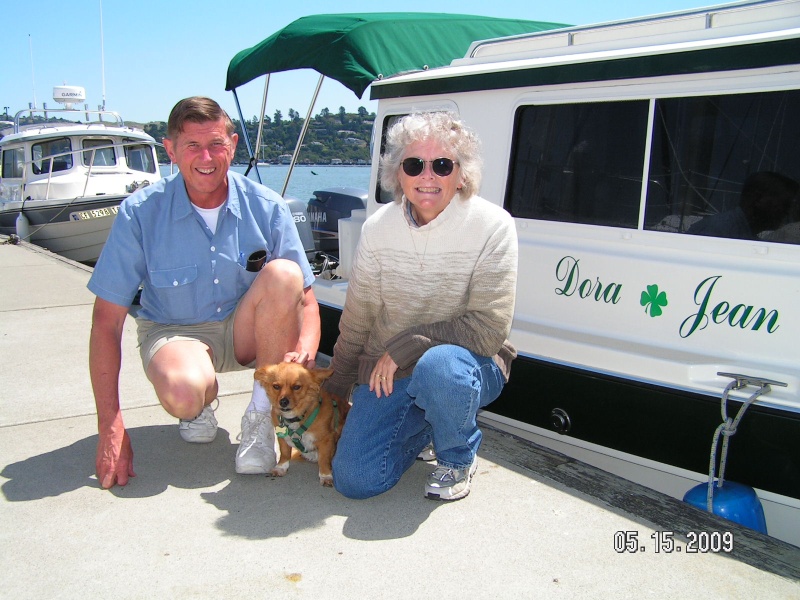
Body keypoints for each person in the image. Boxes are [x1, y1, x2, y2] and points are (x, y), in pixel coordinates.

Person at [88, 97, 320, 489]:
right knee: (183, 393)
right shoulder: (139, 213)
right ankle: (198, 404)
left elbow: (308, 302)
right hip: (173, 331)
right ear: (171, 151)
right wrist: (110, 427)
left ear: (232, 144)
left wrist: (306, 350)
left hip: (245, 333)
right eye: (192, 146)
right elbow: (106, 323)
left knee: (284, 273)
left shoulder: (268, 207)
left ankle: (260, 423)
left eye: (216, 144)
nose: (206, 157)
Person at [325, 112, 518, 501]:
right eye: (414, 165)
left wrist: (410, 344)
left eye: (442, 165)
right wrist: (335, 386)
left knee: (439, 367)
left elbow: (488, 328)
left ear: (461, 174)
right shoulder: (378, 228)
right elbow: (358, 319)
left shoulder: (492, 226)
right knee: (355, 480)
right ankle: (429, 422)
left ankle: (456, 456)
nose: (427, 177)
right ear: (399, 174)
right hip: (387, 372)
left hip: (465, 363)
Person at [686, 171, 798, 241]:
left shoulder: (741, 235)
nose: (786, 212)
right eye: (783, 204)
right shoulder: (716, 232)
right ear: (758, 199)